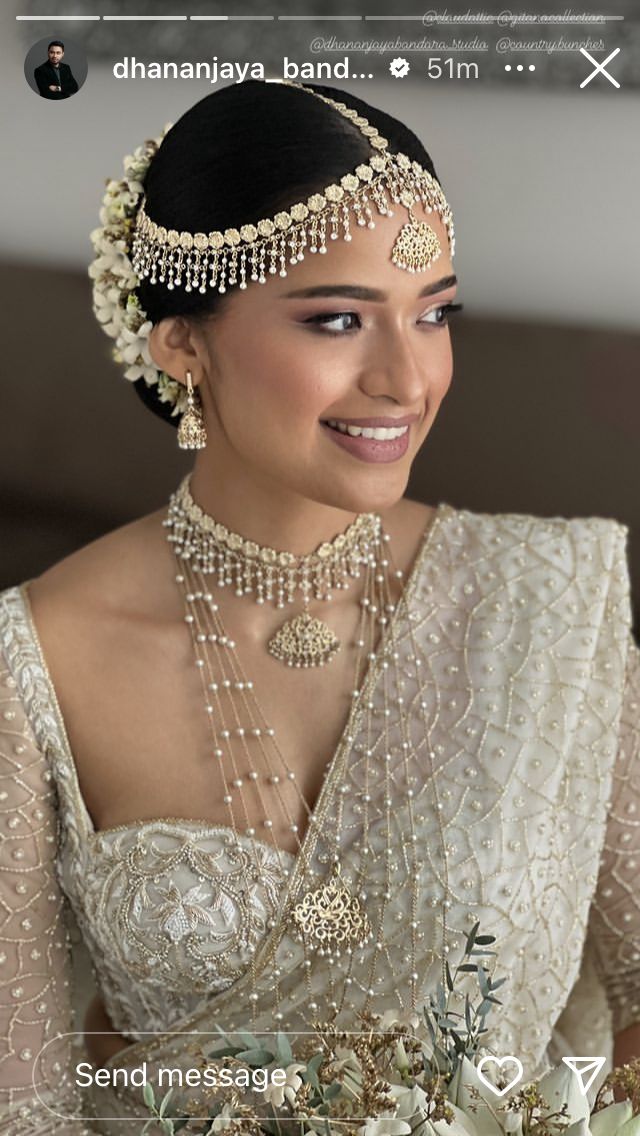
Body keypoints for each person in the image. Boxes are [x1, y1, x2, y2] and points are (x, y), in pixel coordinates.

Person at [0, 79, 638, 1134]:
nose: (406, 378)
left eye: (434, 313)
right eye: (338, 318)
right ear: (181, 344)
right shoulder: (40, 657)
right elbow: (24, 1102)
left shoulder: (550, 607)